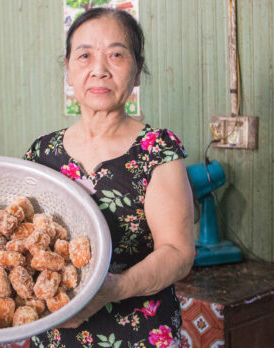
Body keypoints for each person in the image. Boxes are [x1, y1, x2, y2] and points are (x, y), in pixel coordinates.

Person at [22, 7, 195, 348]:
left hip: (139, 335)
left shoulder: (157, 150)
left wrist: (111, 290)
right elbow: (15, 236)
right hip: (56, 336)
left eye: (116, 54)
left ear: (138, 70)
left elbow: (177, 253)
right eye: (84, 56)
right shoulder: (41, 154)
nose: (99, 70)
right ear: (68, 71)